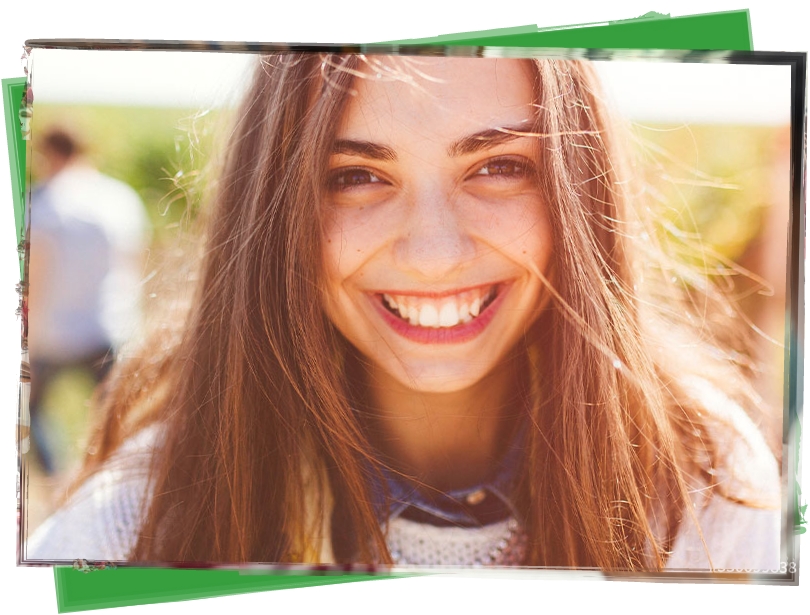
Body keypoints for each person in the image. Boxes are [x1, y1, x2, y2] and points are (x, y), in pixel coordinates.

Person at [26, 54, 781, 571]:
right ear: (275, 213)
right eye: (355, 175)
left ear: (579, 192)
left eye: (499, 166)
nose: (433, 254)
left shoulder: (702, 487)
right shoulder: (133, 526)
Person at [25, 127, 150, 475]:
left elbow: (33, 278)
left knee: (24, 412)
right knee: (118, 420)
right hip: (110, 327)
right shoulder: (121, 198)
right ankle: (102, 477)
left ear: (49, 154)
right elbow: (136, 264)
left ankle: (58, 478)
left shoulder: (42, 203)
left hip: (53, 333)